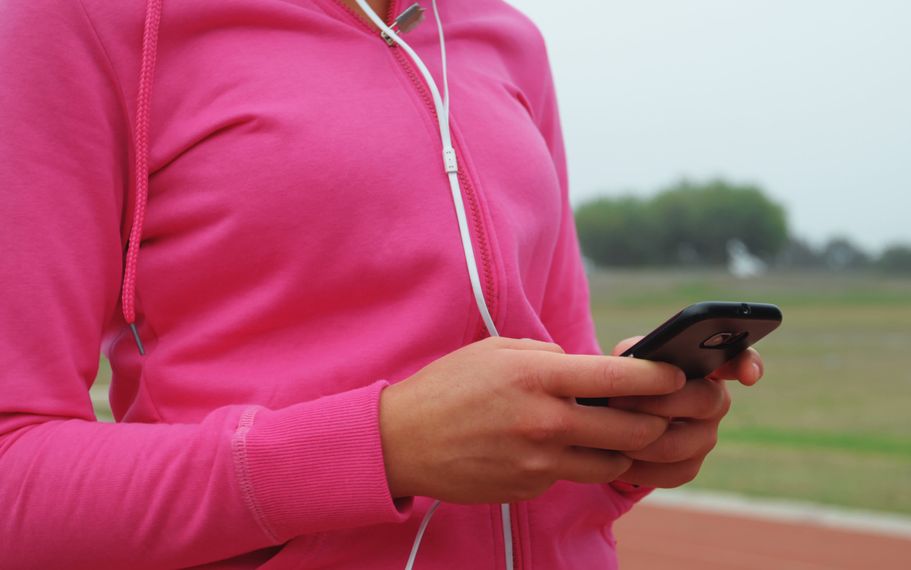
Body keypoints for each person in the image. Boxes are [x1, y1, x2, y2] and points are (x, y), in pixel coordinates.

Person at [0, 0, 764, 568]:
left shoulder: (504, 36)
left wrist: (626, 440)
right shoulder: (83, 19)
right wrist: (382, 447)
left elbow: (551, 389)